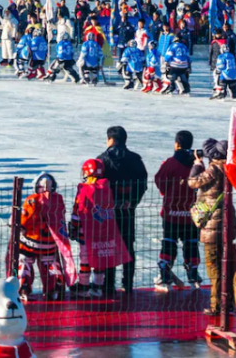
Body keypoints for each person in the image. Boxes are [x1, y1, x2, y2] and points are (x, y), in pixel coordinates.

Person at [188, 139, 236, 339]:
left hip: (213, 226)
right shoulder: (230, 169)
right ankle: (227, 301)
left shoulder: (213, 170)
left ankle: (216, 306)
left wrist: (197, 165)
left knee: (214, 267)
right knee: (226, 265)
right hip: (227, 223)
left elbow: (192, 183)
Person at [70, 158, 131, 299]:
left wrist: (74, 226)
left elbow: (78, 210)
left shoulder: (84, 189)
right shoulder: (107, 187)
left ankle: (84, 286)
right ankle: (97, 286)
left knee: (85, 259)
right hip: (104, 230)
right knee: (100, 258)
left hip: (86, 230)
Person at [97, 126, 147, 296]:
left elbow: (94, 186)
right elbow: (143, 183)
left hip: (107, 212)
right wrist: (131, 202)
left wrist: (104, 205)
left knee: (108, 246)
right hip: (127, 210)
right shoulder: (135, 159)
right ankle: (128, 284)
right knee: (127, 246)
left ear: (110, 139)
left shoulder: (102, 160)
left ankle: (108, 285)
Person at [153, 130, 201, 288]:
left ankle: (165, 274)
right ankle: (193, 273)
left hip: (171, 212)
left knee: (169, 242)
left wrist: (166, 193)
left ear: (176, 144)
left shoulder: (170, 163)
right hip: (191, 213)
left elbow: (159, 180)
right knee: (191, 243)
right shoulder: (197, 163)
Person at [18, 172, 67, 301]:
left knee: (24, 262)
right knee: (50, 264)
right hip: (50, 241)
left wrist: (18, 225)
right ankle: (54, 288)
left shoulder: (32, 199)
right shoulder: (58, 199)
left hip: (30, 241)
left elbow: (25, 219)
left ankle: (23, 287)